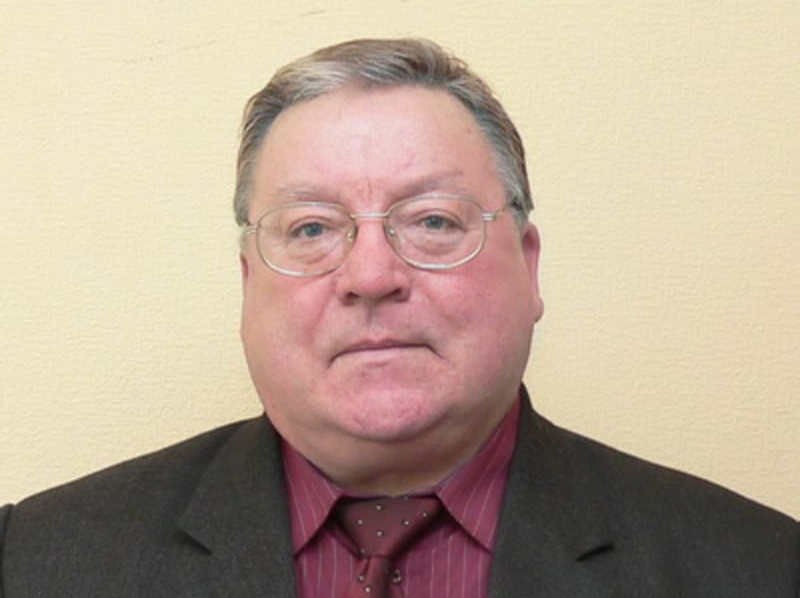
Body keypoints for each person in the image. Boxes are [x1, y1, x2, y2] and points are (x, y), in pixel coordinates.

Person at [0, 38, 797, 598]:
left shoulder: (760, 568)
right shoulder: (32, 563)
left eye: (433, 221)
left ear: (529, 265)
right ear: (248, 281)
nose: (372, 276)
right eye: (311, 229)